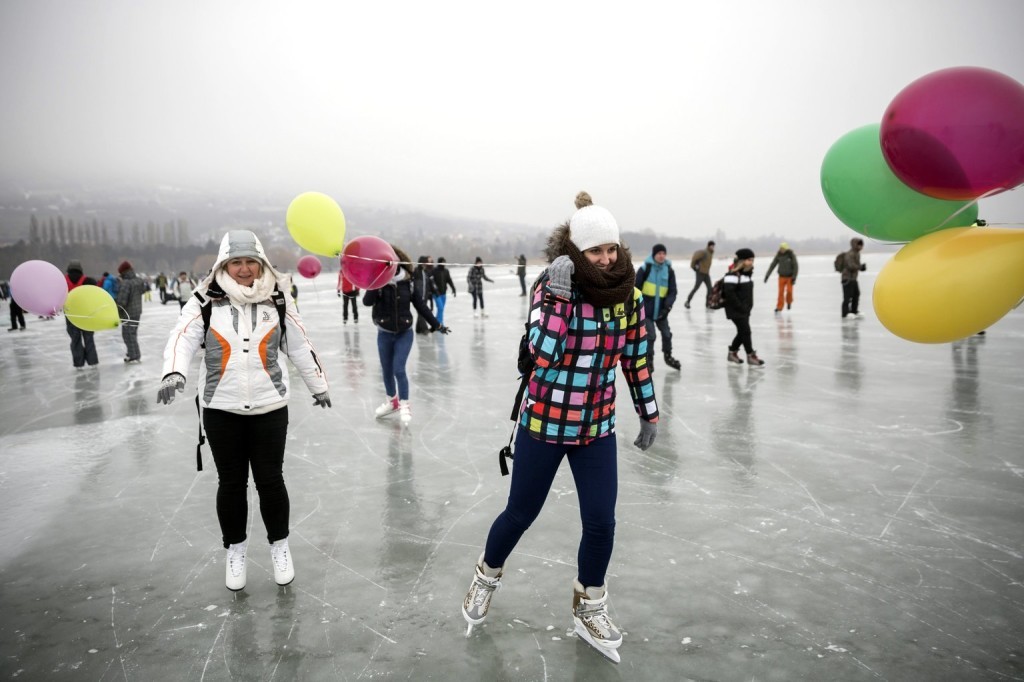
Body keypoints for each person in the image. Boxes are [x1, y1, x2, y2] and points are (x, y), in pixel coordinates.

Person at [461, 198, 659, 662]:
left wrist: (649, 412)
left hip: (596, 427)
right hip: (545, 424)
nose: (607, 259)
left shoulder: (629, 296)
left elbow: (635, 359)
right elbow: (543, 354)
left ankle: (589, 604)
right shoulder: (550, 287)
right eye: (596, 252)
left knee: (601, 522)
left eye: (612, 249)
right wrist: (558, 295)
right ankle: (485, 576)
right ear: (575, 251)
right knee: (520, 513)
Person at [157, 230, 330, 592]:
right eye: (236, 262)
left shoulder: (278, 298)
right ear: (224, 265)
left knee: (270, 481)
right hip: (222, 409)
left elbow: (298, 344)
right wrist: (174, 370)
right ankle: (235, 550)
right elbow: (183, 335)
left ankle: (279, 545)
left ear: (262, 263)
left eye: (251, 261)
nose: (244, 269)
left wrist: (318, 386)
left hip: (270, 408)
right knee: (231, 484)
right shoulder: (205, 300)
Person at [364, 245, 450, 425]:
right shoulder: (379, 282)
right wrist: (375, 281)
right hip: (384, 334)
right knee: (386, 370)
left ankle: (404, 404)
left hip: (404, 333)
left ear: (397, 261)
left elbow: (421, 307)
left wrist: (438, 325)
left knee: (398, 369)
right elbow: (367, 302)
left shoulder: (407, 282)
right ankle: (392, 402)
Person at [636, 243, 681, 371]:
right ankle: (648, 360)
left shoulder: (669, 270)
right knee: (651, 336)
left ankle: (668, 356)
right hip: (647, 311)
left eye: (663, 253)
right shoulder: (645, 268)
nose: (661, 256)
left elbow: (672, 291)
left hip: (662, 311)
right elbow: (635, 288)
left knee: (667, 334)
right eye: (659, 254)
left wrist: (667, 308)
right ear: (654, 255)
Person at [723, 248, 764, 366]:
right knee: (746, 331)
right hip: (736, 309)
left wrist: (747, 307)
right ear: (742, 261)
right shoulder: (732, 275)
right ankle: (750, 356)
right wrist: (741, 307)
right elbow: (730, 294)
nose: (751, 262)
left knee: (742, 332)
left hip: (745, 309)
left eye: (752, 260)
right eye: (749, 260)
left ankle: (732, 353)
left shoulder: (747, 274)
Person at [65, 261, 99, 369]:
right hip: (86, 314)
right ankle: (92, 362)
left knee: (75, 340)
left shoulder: (62, 282)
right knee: (89, 338)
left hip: (71, 315)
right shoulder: (88, 281)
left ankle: (79, 363)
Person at [114, 260, 146, 363]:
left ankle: (134, 356)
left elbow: (122, 301)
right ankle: (133, 353)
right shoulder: (139, 280)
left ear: (123, 272)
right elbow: (143, 290)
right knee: (133, 333)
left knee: (128, 334)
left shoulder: (126, 283)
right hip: (137, 311)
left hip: (128, 313)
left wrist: (116, 309)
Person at [764, 242, 799, 313]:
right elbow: (772, 265)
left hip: (790, 277)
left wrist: (794, 277)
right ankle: (779, 307)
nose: (781, 250)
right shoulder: (778, 255)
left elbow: (795, 266)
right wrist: (767, 275)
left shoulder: (791, 255)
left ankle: (789, 302)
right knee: (780, 293)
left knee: (789, 292)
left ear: (786, 249)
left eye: (783, 248)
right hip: (781, 277)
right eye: (780, 248)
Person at [840, 237, 867, 319]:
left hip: (853, 278)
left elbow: (855, 266)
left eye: (861, 245)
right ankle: (845, 313)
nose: (861, 247)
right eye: (859, 245)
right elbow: (850, 265)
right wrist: (860, 267)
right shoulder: (850, 254)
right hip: (847, 278)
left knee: (856, 294)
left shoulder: (857, 254)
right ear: (855, 245)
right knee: (847, 296)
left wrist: (861, 267)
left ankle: (854, 311)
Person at [684, 240, 716, 308]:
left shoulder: (710, 253)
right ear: (708, 246)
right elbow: (695, 258)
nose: (713, 247)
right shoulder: (704, 252)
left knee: (710, 289)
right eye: (711, 246)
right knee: (696, 288)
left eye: (713, 246)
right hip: (700, 273)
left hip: (706, 274)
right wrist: (694, 267)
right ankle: (687, 302)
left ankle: (708, 304)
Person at [413, 255, 437, 333]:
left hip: (425, 296)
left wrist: (432, 292)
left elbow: (429, 284)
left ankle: (418, 329)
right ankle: (425, 329)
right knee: (421, 313)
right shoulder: (416, 271)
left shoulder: (426, 272)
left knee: (421, 313)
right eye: (425, 262)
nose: (426, 264)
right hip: (417, 297)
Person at [431, 256, 456, 325]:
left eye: (444, 262)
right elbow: (431, 282)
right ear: (439, 263)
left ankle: (437, 321)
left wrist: (453, 288)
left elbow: (449, 280)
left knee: (441, 309)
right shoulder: (434, 271)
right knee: (440, 308)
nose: (444, 263)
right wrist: (433, 290)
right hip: (436, 293)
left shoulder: (446, 271)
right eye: (442, 262)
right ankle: (440, 323)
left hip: (443, 293)